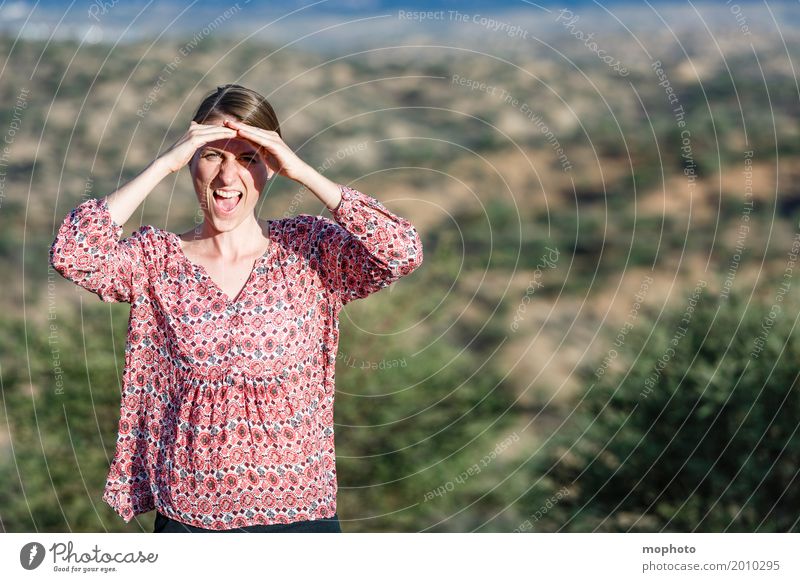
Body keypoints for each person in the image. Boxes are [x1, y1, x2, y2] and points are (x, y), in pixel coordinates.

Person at [49, 84, 424, 533]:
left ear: (271, 163)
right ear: (191, 160)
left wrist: (303, 171)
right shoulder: (155, 260)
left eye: (248, 157)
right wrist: (163, 164)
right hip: (189, 522)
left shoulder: (310, 250)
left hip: (299, 518)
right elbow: (74, 253)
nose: (228, 178)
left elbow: (401, 251)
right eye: (212, 155)